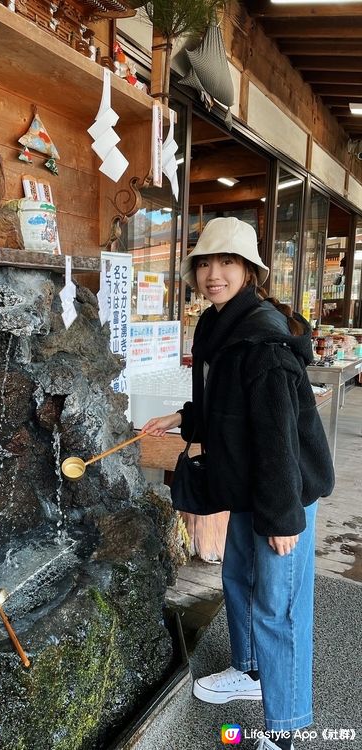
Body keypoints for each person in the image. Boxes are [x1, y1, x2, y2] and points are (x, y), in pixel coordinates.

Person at [143, 217, 334, 750]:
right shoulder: (213, 326)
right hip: (247, 480)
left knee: (279, 607)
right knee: (237, 579)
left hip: (284, 488)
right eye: (204, 262)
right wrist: (182, 419)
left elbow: (277, 438)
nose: (213, 273)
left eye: (226, 262)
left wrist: (282, 518)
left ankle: (287, 728)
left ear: (249, 270)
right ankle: (249, 673)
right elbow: (221, 405)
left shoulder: (264, 339)